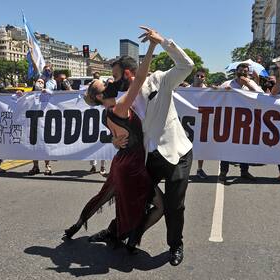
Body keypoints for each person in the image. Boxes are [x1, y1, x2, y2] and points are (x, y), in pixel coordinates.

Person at [89, 28, 194, 266]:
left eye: (115, 76)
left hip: (177, 152)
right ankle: (115, 233)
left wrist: (164, 42)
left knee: (174, 205)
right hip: (147, 157)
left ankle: (175, 245)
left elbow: (186, 66)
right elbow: (117, 128)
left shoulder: (159, 79)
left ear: (127, 73)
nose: (112, 81)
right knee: (131, 196)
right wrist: (114, 140)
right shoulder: (120, 100)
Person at [64, 27, 164, 254]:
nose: (109, 81)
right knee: (154, 205)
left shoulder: (107, 112)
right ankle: (129, 241)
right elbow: (139, 79)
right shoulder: (118, 108)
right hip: (131, 166)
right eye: (104, 83)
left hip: (122, 162)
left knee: (105, 196)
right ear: (100, 96)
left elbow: (116, 135)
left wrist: (114, 140)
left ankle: (76, 227)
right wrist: (151, 47)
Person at [217, 63, 263, 183]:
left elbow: (262, 96)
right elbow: (215, 96)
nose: (243, 73)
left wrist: (248, 83)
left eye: (245, 71)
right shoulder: (227, 84)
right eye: (241, 70)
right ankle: (223, 172)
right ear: (236, 71)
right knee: (226, 146)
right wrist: (223, 91)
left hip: (247, 121)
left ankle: (244, 171)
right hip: (229, 120)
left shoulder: (251, 83)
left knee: (244, 147)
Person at [27, 79, 53, 175]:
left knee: (45, 146)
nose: (40, 84)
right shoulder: (29, 94)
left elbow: (55, 98)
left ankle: (47, 166)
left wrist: (48, 92)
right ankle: (35, 166)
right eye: (38, 82)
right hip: (32, 123)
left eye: (42, 82)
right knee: (34, 146)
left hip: (44, 123)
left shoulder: (46, 93)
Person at [190, 68, 208, 179]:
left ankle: (199, 169)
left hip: (202, 122)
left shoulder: (208, 91)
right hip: (188, 122)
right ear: (194, 76)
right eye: (198, 76)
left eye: (202, 76)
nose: (199, 78)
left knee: (201, 146)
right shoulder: (185, 90)